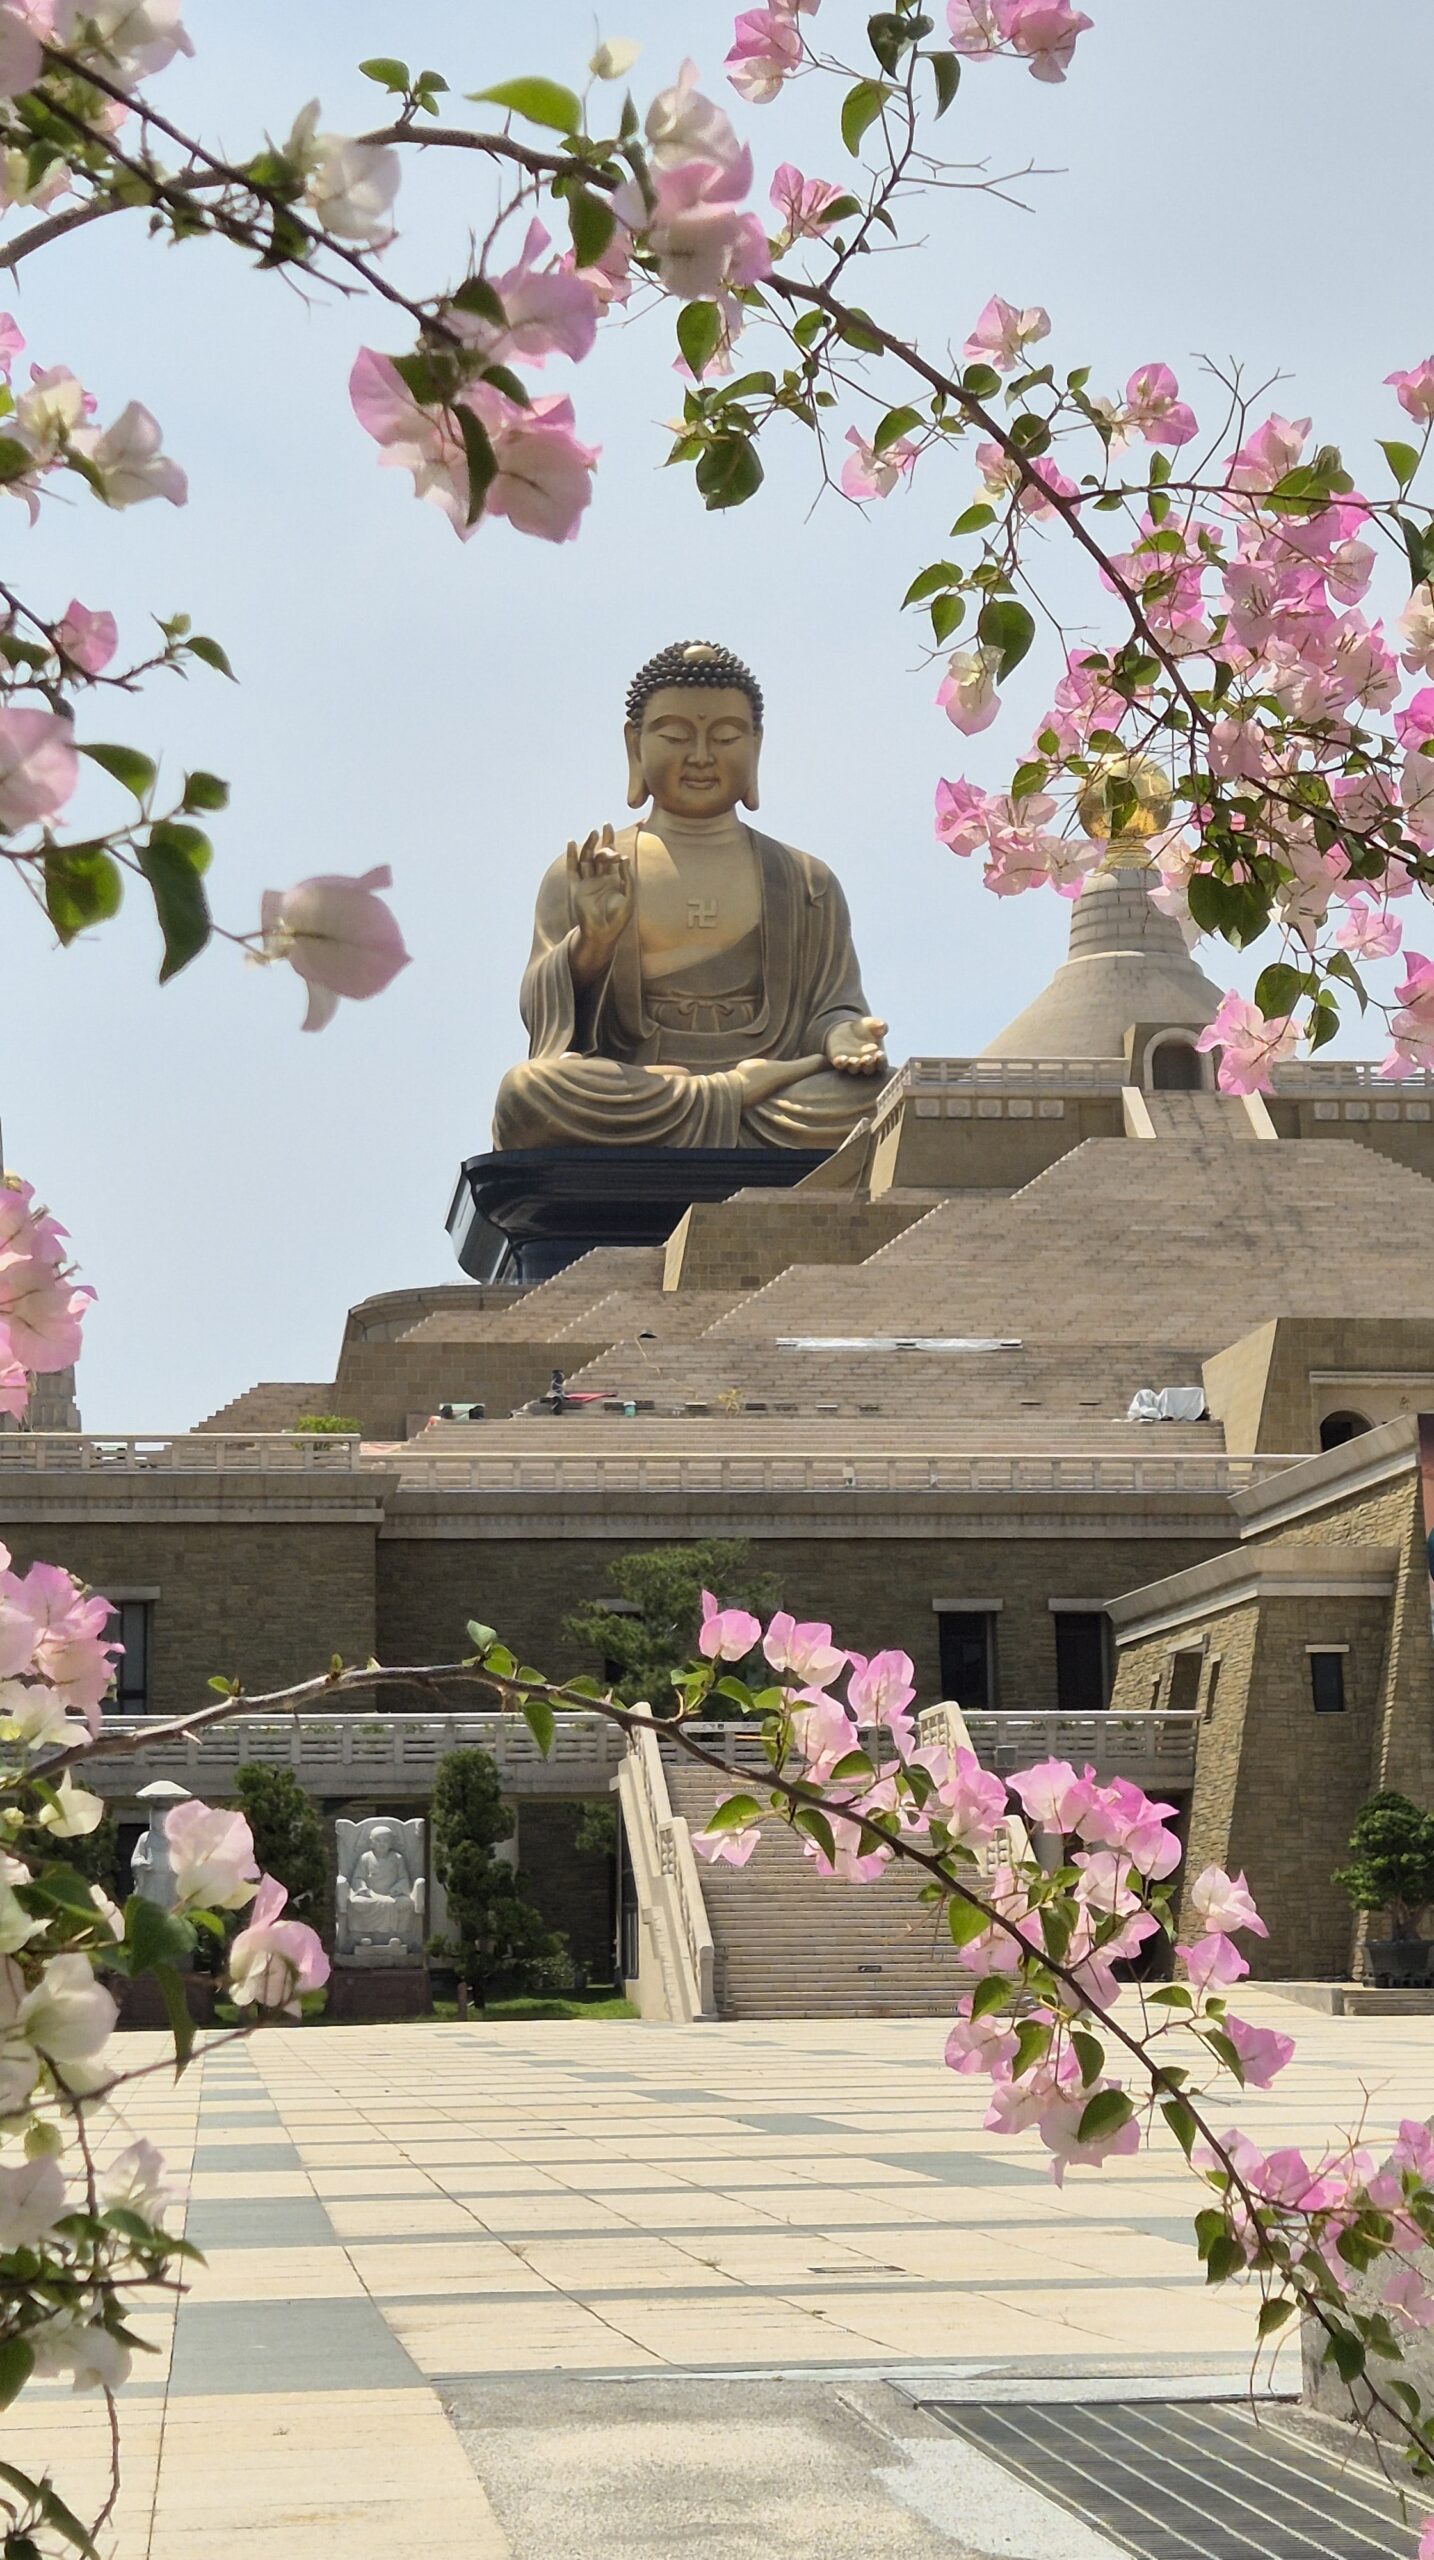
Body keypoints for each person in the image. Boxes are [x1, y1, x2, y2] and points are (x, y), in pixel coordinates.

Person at [493, 640, 888, 1150]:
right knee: (528, 1093)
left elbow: (831, 1006)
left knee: (882, 1098)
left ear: (756, 744)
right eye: (676, 736)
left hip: (772, 1091)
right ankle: (733, 1097)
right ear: (635, 746)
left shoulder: (805, 880)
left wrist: (842, 1035)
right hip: (640, 1080)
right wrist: (594, 941)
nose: (701, 757)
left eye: (725, 737)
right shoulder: (590, 870)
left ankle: (727, 1100)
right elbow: (545, 1019)